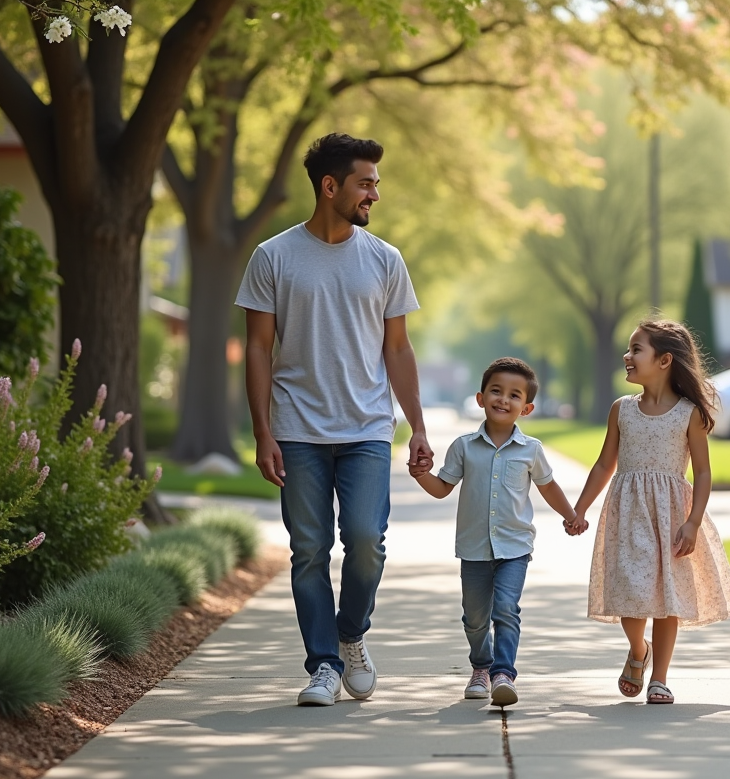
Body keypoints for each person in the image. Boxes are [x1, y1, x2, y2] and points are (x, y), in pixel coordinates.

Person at [236, 133, 433, 707]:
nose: (375, 192)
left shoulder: (384, 260)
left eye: (375, 182)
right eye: (365, 183)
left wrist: (418, 426)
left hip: (368, 428)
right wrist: (262, 430)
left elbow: (398, 349)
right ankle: (323, 664)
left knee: (367, 541)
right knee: (309, 550)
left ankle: (351, 634)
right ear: (331, 187)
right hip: (296, 429)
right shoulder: (273, 257)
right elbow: (257, 349)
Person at [569, 319, 730, 704]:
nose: (627, 357)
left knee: (667, 597)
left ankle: (659, 678)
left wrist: (693, 521)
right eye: (628, 351)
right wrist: (579, 509)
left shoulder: (688, 414)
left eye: (636, 350)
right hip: (629, 514)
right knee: (631, 591)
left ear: (664, 360)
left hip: (672, 516)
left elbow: (704, 471)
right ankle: (638, 649)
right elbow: (602, 465)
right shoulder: (621, 410)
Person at [410, 357, 581, 707]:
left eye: (514, 395)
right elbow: (443, 487)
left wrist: (571, 515)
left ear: (527, 407)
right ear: (480, 397)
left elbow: (548, 488)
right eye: (496, 391)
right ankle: (481, 667)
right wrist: (419, 475)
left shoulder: (531, 450)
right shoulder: (463, 446)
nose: (504, 399)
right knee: (474, 617)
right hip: (473, 547)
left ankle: (504, 673)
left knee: (506, 608)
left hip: (515, 546)